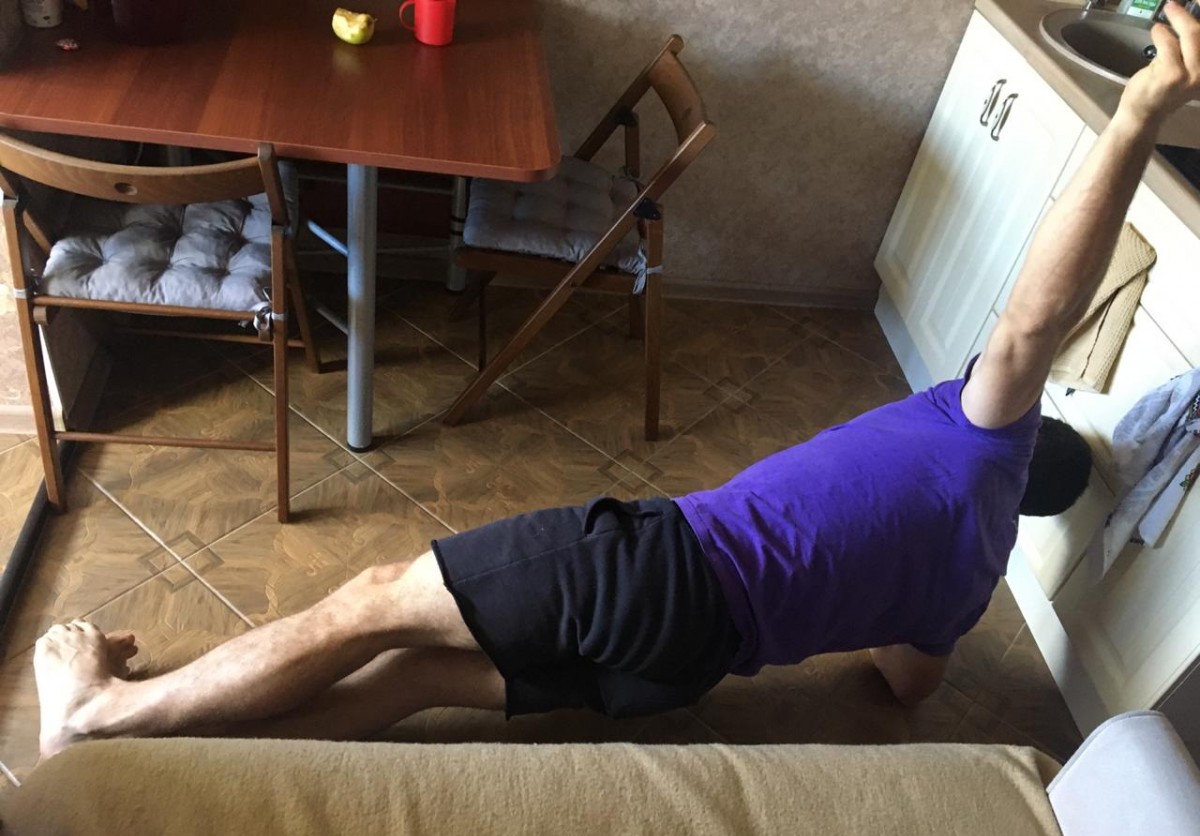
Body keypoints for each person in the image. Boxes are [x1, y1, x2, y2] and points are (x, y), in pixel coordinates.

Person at [32, 3, 1200, 760]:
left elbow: (1032, 322)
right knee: (404, 680)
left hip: (660, 573)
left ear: (1026, 437)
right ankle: (171, 750)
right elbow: (905, 685)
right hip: (680, 669)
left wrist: (1140, 114)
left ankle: (103, 716)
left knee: (371, 602)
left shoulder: (974, 436)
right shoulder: (973, 575)